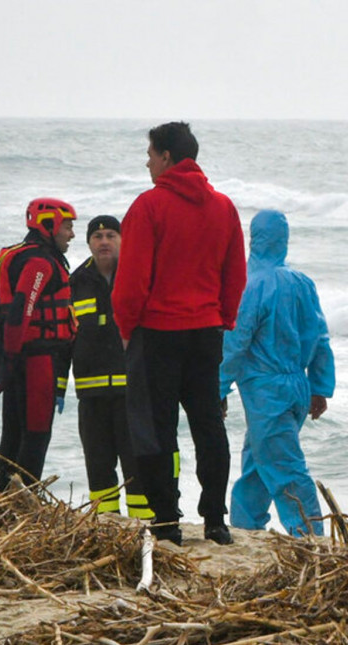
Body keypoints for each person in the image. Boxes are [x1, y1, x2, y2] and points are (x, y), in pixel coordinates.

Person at [112, 121, 247, 546]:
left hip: (157, 332)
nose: (147, 161)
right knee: (208, 424)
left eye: (150, 153)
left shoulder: (149, 206)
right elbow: (235, 275)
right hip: (206, 330)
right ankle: (215, 520)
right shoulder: (223, 207)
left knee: (156, 429)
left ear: (168, 157)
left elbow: (132, 280)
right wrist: (223, 317)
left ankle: (167, 520)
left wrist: (125, 326)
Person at [219, 210, 335, 537]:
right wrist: (320, 387)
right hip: (297, 384)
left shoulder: (250, 285)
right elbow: (321, 338)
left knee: (285, 467)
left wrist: (218, 386)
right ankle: (245, 527)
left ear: (253, 239)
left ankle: (310, 536)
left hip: (266, 389)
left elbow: (236, 342)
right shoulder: (302, 283)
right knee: (259, 462)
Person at [0, 198, 77, 491]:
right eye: (67, 226)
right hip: (35, 360)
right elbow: (22, 310)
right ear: (49, 224)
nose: (71, 234)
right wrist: (11, 360)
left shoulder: (23, 255)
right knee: (36, 434)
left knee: (12, 433)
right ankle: (22, 500)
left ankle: (5, 497)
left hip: (16, 358)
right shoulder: (38, 262)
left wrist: (4, 362)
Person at [65, 215, 152, 520]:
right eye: (97, 236)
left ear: (123, 240)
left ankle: (146, 525)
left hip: (134, 394)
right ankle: (106, 525)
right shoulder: (74, 284)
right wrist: (58, 386)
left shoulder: (139, 277)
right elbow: (65, 340)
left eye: (111, 235)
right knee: (99, 467)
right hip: (92, 396)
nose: (103, 241)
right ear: (88, 243)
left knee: (138, 465)